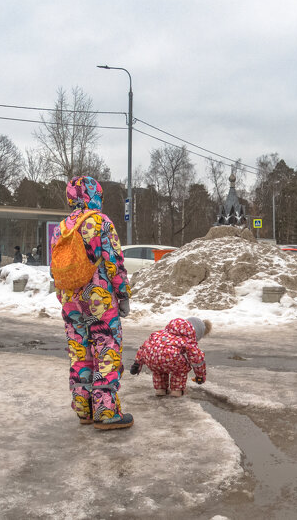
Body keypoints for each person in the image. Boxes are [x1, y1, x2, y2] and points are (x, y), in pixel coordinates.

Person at [51, 176, 133, 430]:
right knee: (105, 348)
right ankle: (106, 411)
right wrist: (123, 295)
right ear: (95, 195)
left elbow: (55, 267)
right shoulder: (100, 222)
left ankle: (84, 407)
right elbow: (114, 261)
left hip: (69, 299)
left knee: (80, 351)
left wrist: (64, 297)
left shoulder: (61, 228)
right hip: (98, 299)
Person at [130, 317, 211, 397]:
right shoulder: (188, 340)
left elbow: (144, 347)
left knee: (159, 369)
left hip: (151, 359)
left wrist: (137, 364)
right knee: (180, 369)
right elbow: (197, 359)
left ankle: (160, 390)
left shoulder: (158, 334)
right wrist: (200, 376)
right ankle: (176, 392)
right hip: (170, 359)